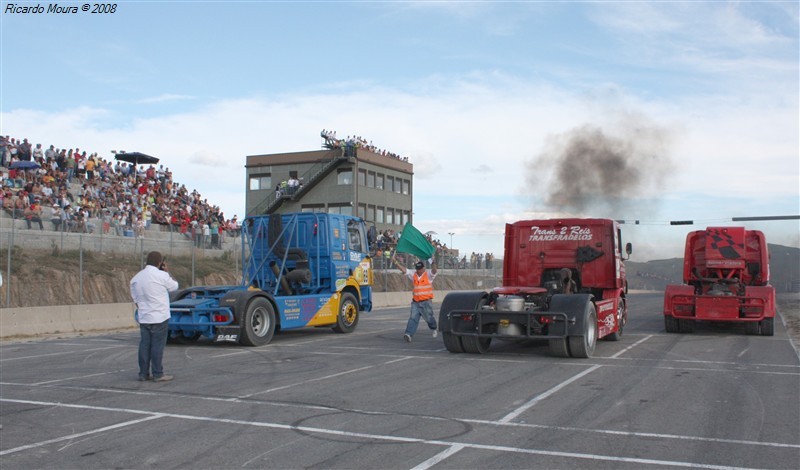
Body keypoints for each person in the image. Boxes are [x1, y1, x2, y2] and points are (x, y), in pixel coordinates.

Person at [130, 251, 179, 382]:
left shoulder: (136, 278)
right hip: (159, 316)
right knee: (157, 346)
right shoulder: (161, 275)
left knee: (144, 345)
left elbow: (135, 299)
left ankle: (143, 373)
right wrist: (167, 271)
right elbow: (175, 286)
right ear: (159, 263)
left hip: (144, 317)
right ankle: (158, 373)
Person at [391, 253, 438, 342]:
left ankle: (434, 328)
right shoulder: (414, 274)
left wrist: (433, 261)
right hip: (416, 302)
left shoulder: (428, 275)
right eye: (417, 269)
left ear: (423, 268)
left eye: (420, 269)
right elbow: (404, 270)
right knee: (413, 318)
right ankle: (408, 334)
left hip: (426, 302)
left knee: (429, 318)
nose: (418, 271)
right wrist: (395, 262)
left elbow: (434, 271)